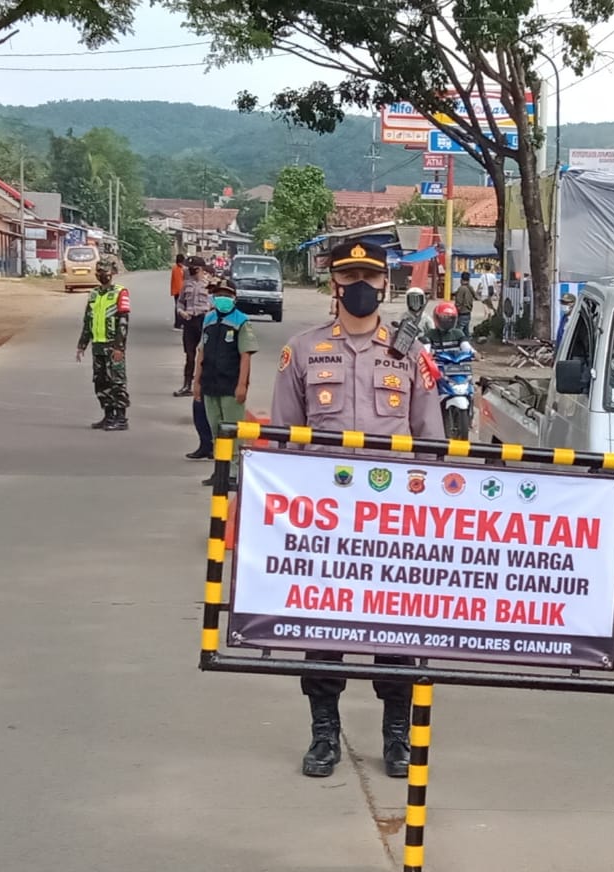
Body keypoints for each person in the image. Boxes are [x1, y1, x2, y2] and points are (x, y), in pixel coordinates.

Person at [270, 239, 444, 780]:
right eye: (350, 276)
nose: (361, 286)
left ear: (384, 283)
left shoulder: (410, 354)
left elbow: (430, 442)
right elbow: (282, 443)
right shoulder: (302, 351)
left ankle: (396, 737)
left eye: (370, 276)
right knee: (323, 635)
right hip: (324, 522)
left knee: (394, 637)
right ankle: (325, 736)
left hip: (392, 523)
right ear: (335, 285)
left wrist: (430, 517)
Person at [193, 278, 258, 487]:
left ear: (234, 298)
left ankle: (235, 472)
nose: (223, 299)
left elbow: (245, 356)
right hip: (210, 384)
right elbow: (201, 352)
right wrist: (197, 382)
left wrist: (242, 385)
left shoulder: (241, 321)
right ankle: (220, 471)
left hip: (230, 385)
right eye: (219, 295)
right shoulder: (209, 319)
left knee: (234, 432)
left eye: (227, 295)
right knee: (216, 430)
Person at [75, 262, 131, 431]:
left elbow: (123, 322)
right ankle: (108, 415)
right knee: (100, 381)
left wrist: (119, 347)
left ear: (112, 273)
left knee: (117, 381)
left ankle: (121, 418)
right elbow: (88, 321)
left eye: (104, 271)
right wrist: (82, 345)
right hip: (98, 345)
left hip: (113, 345)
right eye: (99, 271)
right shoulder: (93, 294)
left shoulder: (120, 292)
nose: (101, 274)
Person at [174, 256, 212, 397]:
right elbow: (180, 302)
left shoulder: (210, 284)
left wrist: (210, 312)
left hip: (204, 321)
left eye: (192, 268)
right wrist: (181, 312)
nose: (189, 271)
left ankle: (204, 385)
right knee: (189, 356)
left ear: (200, 269)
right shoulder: (186, 284)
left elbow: (216, 304)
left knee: (206, 356)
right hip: (189, 321)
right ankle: (186, 385)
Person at [453, 271, 476, 338]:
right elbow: (476, 296)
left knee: (458, 331)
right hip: (468, 312)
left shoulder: (461, 289)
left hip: (462, 313)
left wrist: (456, 310)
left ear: (461, 280)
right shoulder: (470, 288)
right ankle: (467, 342)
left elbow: (459, 302)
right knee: (466, 331)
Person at [170, 253, 185, 330]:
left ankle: (179, 323)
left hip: (177, 291)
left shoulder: (178, 268)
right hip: (178, 291)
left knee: (178, 307)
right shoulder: (177, 269)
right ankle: (178, 324)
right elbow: (179, 282)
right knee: (179, 307)